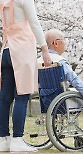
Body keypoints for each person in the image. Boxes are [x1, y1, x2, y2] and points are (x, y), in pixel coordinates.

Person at [0, 0, 51, 152]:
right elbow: (34, 23)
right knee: (22, 96)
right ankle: (17, 140)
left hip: (7, 51)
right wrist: (44, 49)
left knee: (4, 98)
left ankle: (3, 140)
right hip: (22, 50)